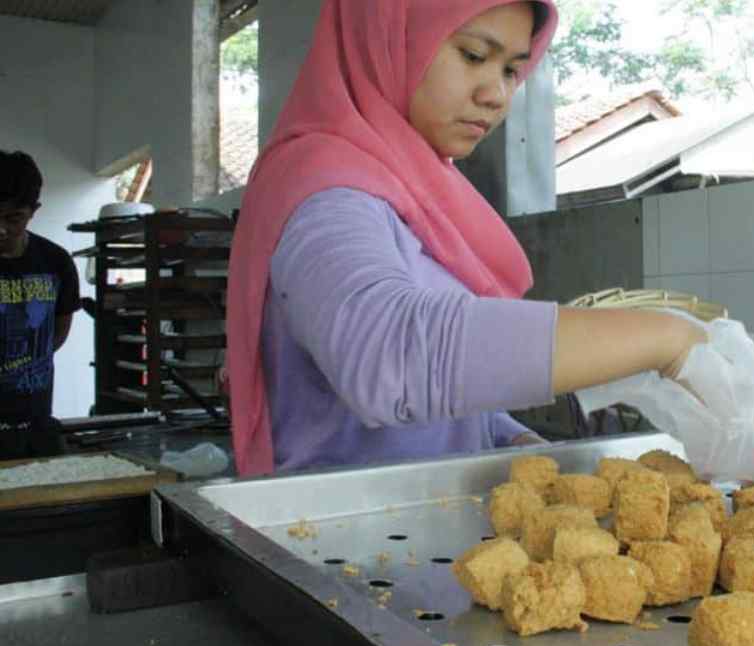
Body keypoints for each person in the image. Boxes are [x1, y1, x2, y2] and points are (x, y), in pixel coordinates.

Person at [227, 0, 705, 476]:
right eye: (474, 55)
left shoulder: (413, 189)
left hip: (424, 524)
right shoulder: (326, 189)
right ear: (387, 38)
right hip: (335, 533)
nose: (496, 94)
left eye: (513, 71)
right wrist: (665, 336)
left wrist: (506, 434)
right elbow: (389, 357)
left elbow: (438, 393)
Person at [0, 150, 80, 460]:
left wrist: (23, 367)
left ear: (33, 211)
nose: (1, 229)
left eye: (13, 218)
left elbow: (55, 336)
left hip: (35, 424)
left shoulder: (55, 262)